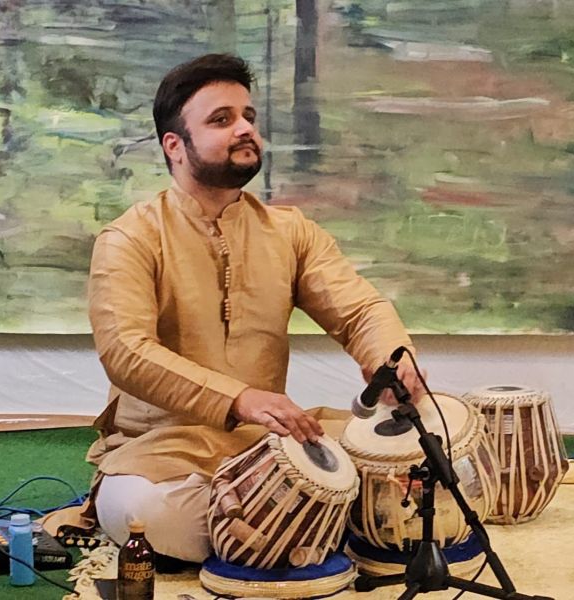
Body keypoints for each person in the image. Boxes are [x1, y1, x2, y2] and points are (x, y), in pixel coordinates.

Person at [56, 54, 425, 563]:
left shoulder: (289, 231)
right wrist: (239, 399)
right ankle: (322, 524)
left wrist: (392, 355)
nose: (245, 129)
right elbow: (127, 351)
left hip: (270, 441)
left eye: (248, 116)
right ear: (174, 146)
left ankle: (289, 524)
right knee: (153, 515)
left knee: (430, 452)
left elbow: (359, 308)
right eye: (221, 119)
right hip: (165, 448)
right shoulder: (130, 238)